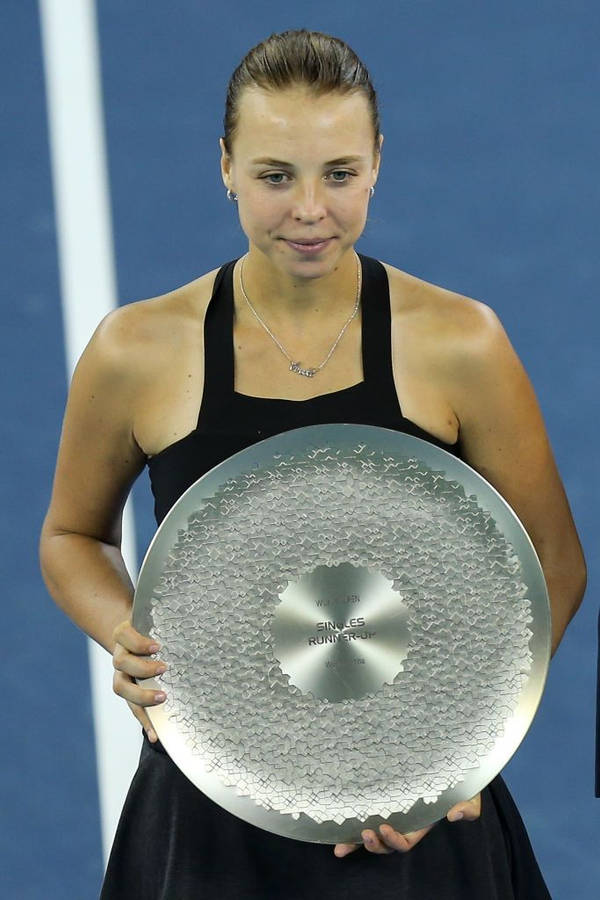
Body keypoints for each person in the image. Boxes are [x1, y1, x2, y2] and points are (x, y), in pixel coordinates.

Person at [40, 28, 586, 900]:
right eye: (274, 175)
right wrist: (125, 634)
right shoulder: (136, 350)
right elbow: (72, 535)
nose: (309, 211)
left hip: (412, 807)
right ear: (225, 164)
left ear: (377, 162)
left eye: (339, 174)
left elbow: (554, 561)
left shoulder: (462, 344)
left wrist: (465, 745)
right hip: (214, 798)